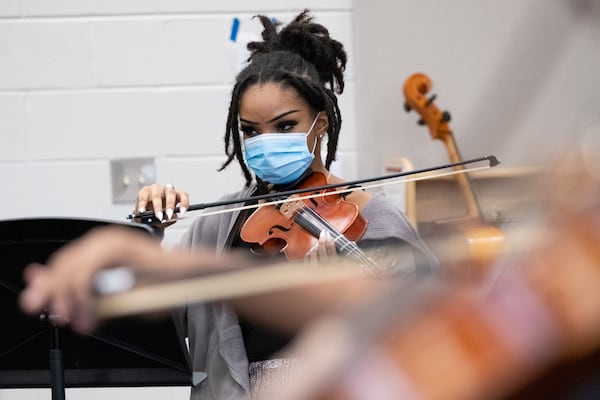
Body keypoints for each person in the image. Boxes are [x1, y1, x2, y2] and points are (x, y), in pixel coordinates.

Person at [28, 10, 438, 400]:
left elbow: (420, 336)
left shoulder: (374, 218)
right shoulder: (217, 226)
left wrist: (335, 305)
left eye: (284, 126)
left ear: (322, 122)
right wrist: (149, 235)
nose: (265, 142)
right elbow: (166, 327)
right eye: (250, 132)